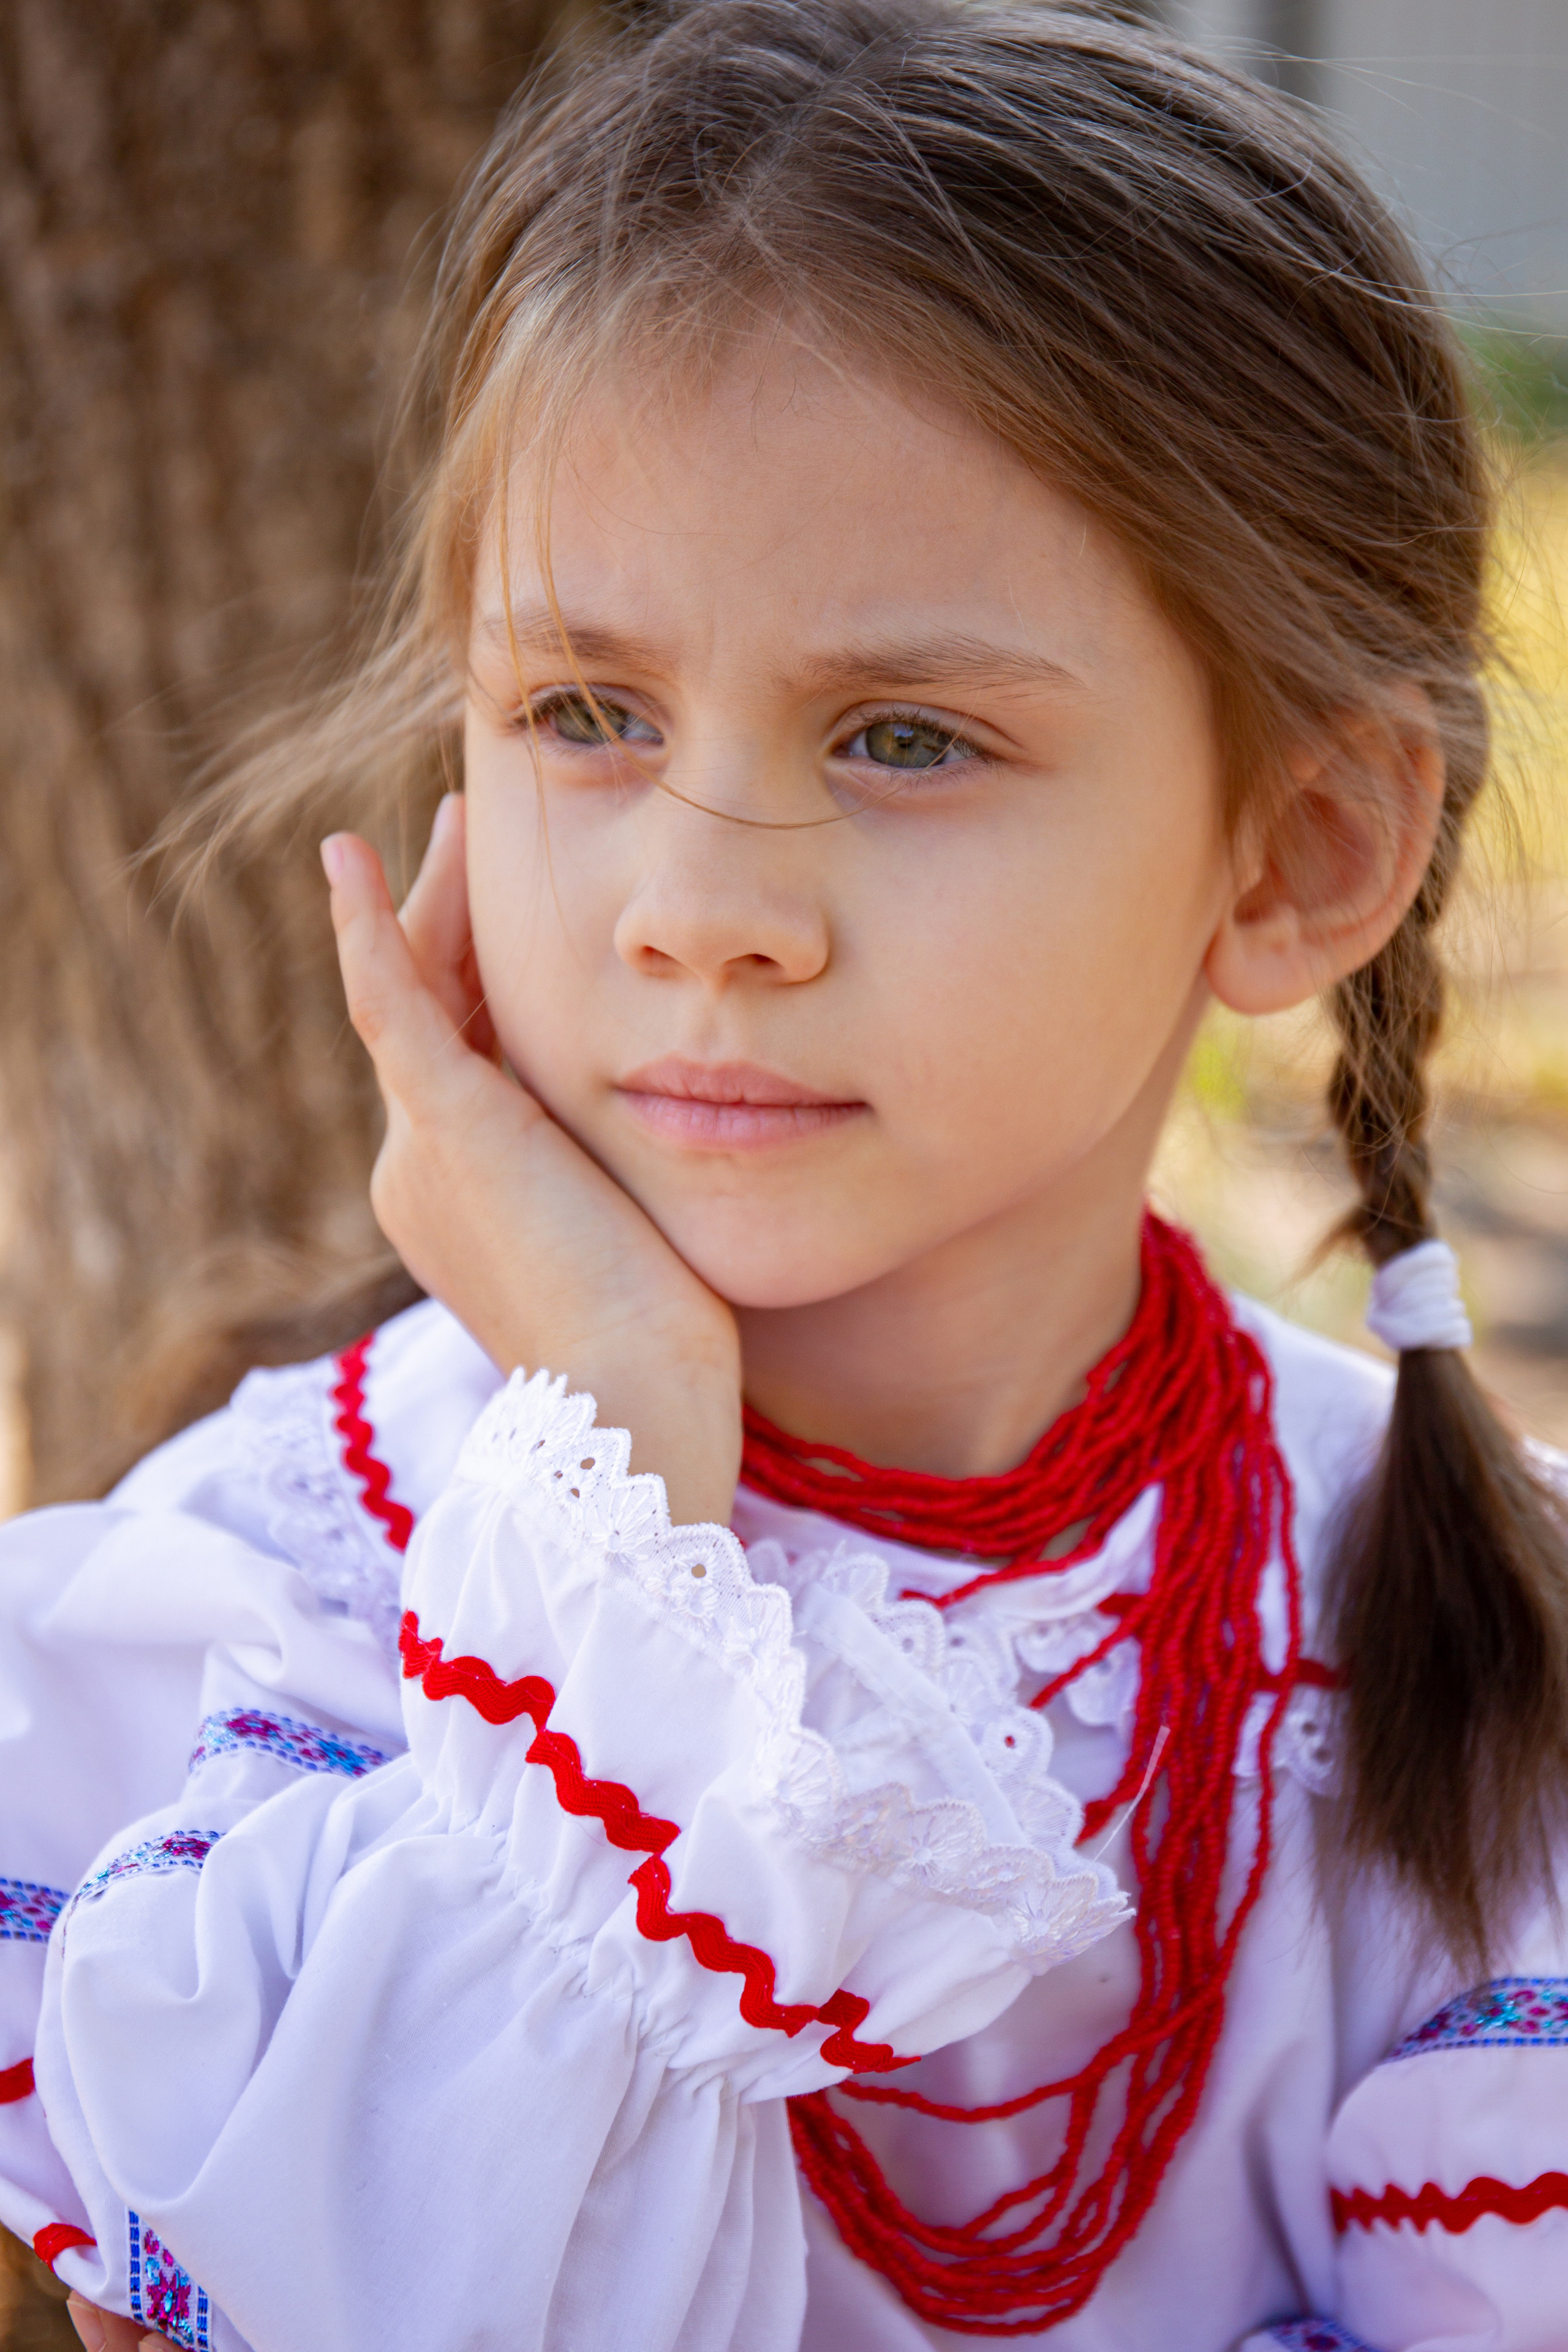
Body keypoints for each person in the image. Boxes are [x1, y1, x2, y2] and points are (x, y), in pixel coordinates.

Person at [4, 3, 1566, 2346]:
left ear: (1304, 847)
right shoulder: (265, 1621)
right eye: (588, 715)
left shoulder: (1459, 1636)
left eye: (906, 736)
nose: (699, 903)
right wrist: (621, 1452)